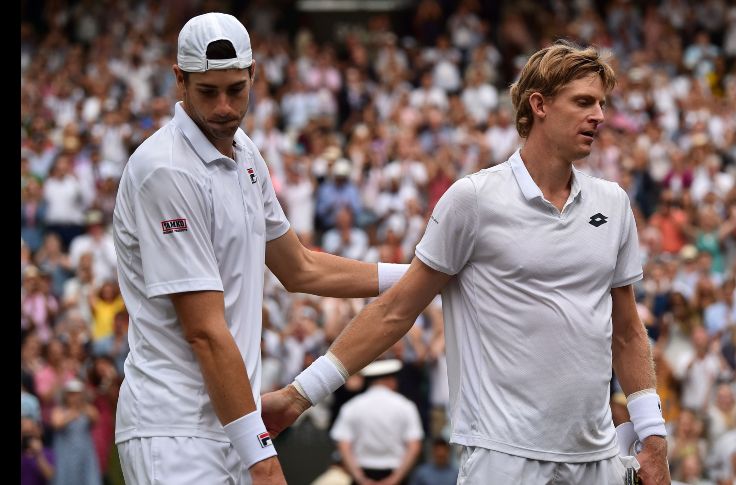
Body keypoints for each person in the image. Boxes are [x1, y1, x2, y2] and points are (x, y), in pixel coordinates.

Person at [263, 40, 671, 484]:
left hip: (599, 460)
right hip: (502, 458)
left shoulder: (612, 203)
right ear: (539, 105)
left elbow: (629, 331)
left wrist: (653, 437)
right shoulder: (473, 200)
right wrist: (300, 394)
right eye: (583, 102)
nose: (600, 116)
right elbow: (397, 309)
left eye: (602, 104)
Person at [111, 12, 407, 485]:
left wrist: (418, 276)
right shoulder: (165, 170)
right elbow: (205, 332)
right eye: (208, 92)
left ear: (254, 75)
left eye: (236, 89)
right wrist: (264, 461)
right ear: (179, 81)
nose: (225, 107)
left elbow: (302, 267)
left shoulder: (244, 151)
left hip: (232, 424)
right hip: (174, 434)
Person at [330, 359, 424, 485]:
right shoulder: (406, 406)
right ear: (390, 380)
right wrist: (395, 479)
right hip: (395, 476)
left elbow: (343, 445)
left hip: (362, 475)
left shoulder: (352, 406)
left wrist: (360, 478)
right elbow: (414, 446)